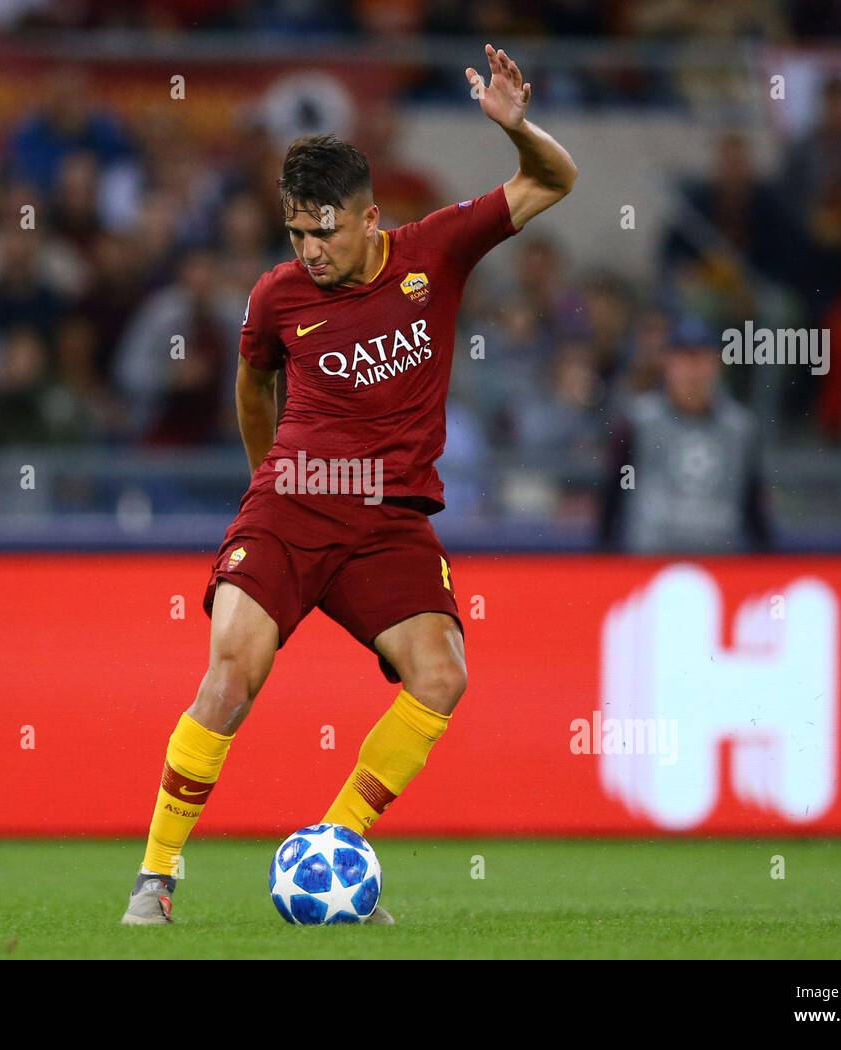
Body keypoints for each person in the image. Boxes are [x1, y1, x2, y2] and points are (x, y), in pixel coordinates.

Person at [122, 44, 578, 925]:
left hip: (389, 524)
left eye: (325, 229)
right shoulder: (276, 297)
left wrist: (519, 130)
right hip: (291, 507)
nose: (310, 249)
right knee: (230, 675)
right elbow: (252, 385)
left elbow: (555, 182)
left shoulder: (435, 252)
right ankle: (156, 877)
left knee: (442, 677)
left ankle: (336, 843)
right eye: (296, 230)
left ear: (371, 217)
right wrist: (267, 487)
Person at [599, 316, 771, 554]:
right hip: (649, 563)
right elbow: (613, 499)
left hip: (721, 565)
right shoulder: (638, 423)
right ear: (666, 363)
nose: (693, 372)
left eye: (701, 359)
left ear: (717, 363)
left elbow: (753, 507)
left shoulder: (740, 430)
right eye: (683, 360)